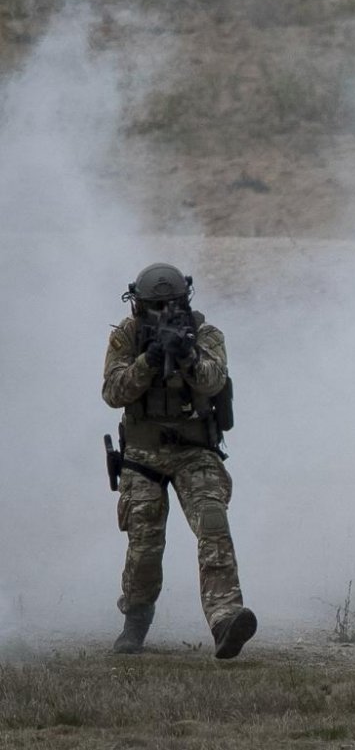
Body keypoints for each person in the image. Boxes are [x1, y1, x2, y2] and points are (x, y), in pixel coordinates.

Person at [102, 262, 256, 659]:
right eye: (156, 306)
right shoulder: (127, 336)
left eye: (170, 305)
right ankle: (135, 622)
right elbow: (113, 392)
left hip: (195, 452)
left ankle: (225, 618)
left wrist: (187, 357)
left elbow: (214, 381)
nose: (163, 314)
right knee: (145, 544)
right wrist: (148, 361)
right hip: (142, 455)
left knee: (213, 526)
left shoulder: (205, 334)